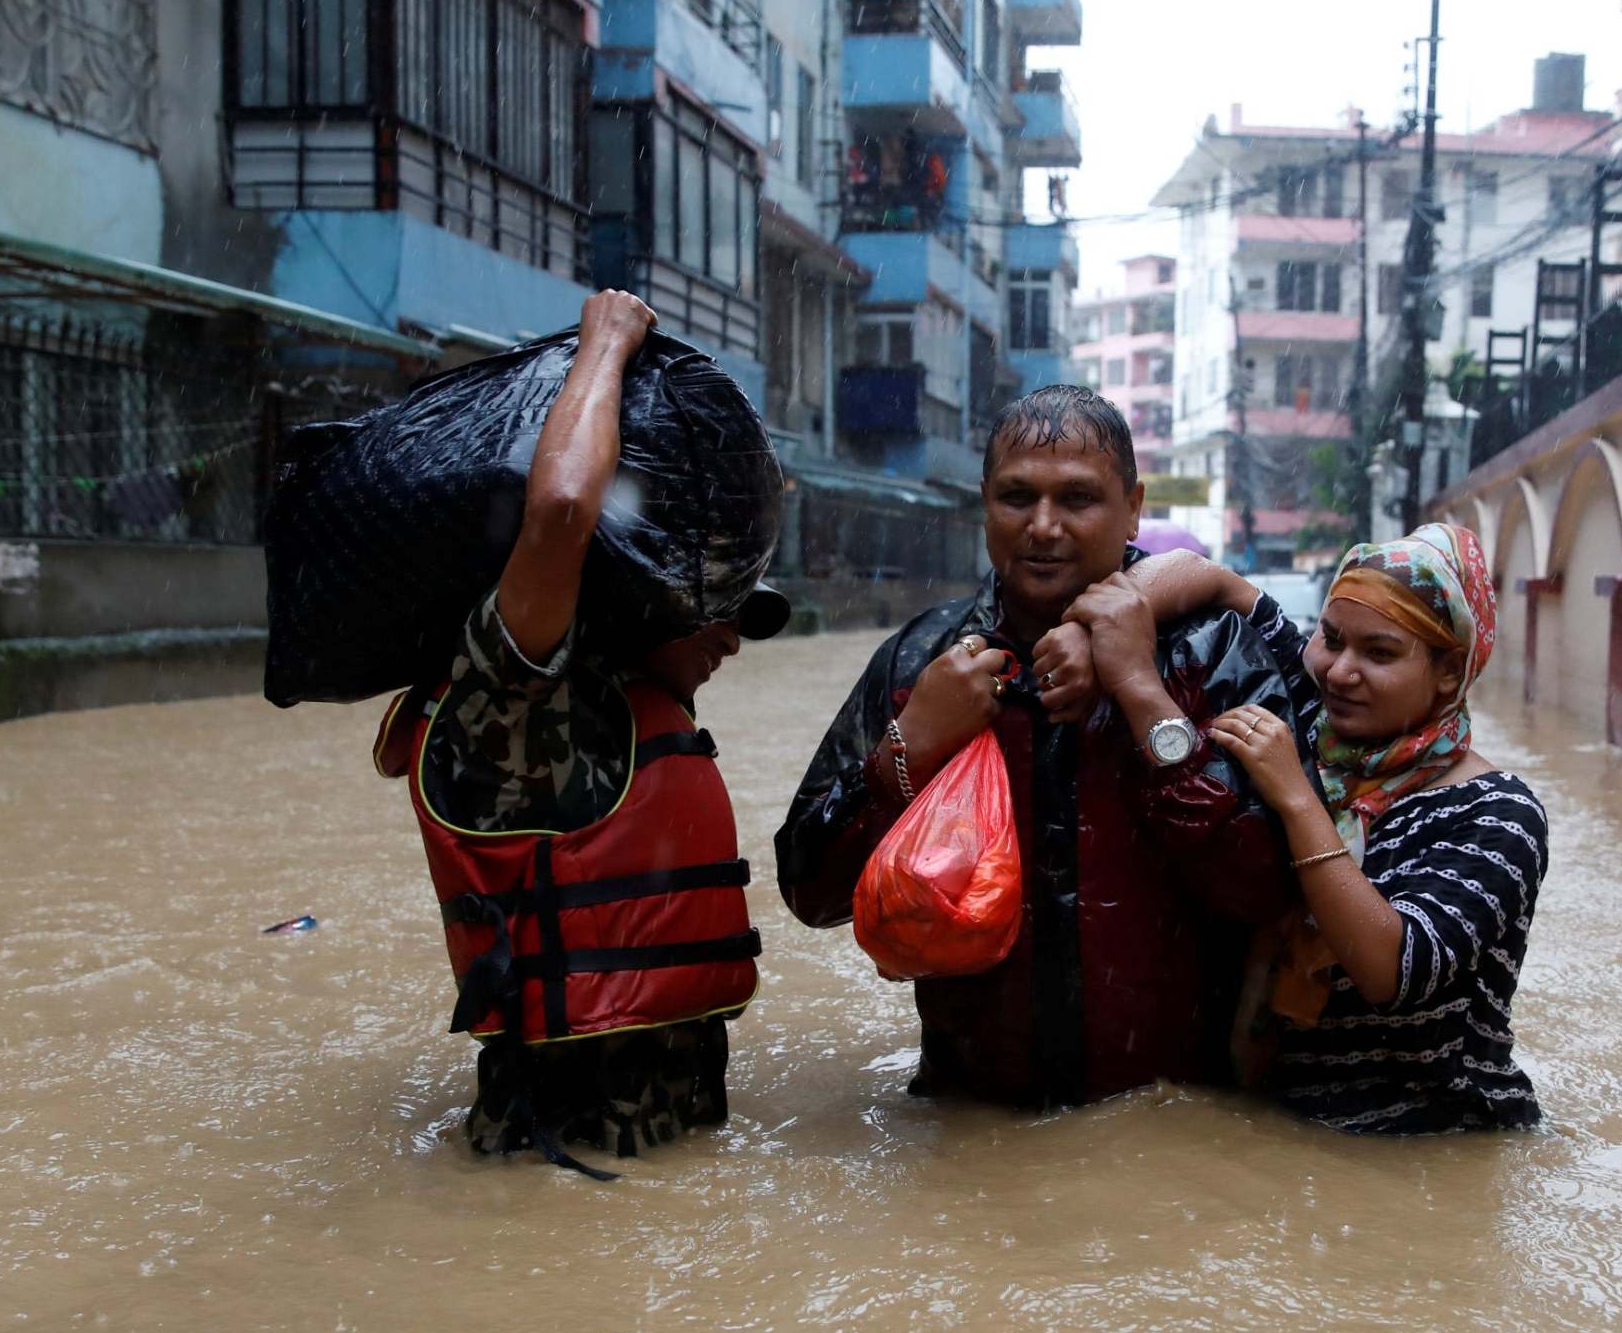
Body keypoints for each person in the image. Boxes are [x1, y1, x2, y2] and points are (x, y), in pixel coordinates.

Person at [775, 386, 1300, 1109]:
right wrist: (909, 748)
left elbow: (1271, 886)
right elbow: (809, 892)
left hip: (1173, 1128)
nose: (1042, 527)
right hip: (967, 1120)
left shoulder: (1208, 651)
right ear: (983, 502)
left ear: (1133, 508)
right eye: (1016, 496)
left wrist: (1142, 692)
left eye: (1077, 499)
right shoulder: (923, 662)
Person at [373, 290, 788, 1178]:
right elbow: (563, 510)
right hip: (561, 1163)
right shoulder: (520, 703)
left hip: (653, 1167)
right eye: (710, 609)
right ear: (634, 602)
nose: (729, 637)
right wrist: (607, 340)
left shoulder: (619, 720)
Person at [1064, 524, 1547, 1136]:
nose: (1340, 671)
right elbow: (1203, 575)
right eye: (1332, 638)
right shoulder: (1309, 706)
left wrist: (1294, 798)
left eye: (1380, 653)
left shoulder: (1495, 811)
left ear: (1450, 671)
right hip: (1282, 1124)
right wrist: (1089, 633)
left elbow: (1391, 970)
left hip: (1428, 1142)